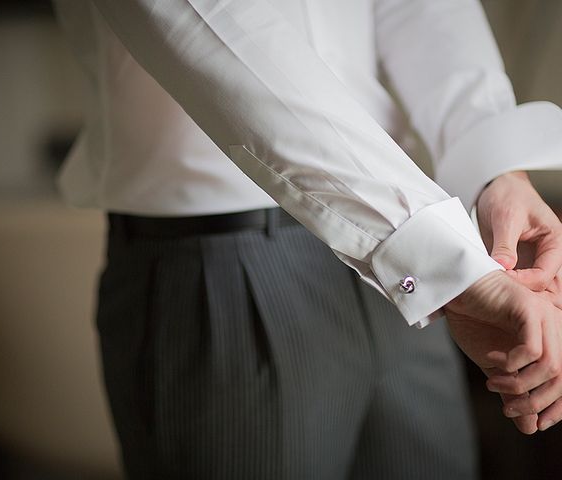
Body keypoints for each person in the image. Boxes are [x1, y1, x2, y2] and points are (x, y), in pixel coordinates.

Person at [53, 1, 562, 478]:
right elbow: (212, 22)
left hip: (414, 268)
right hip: (228, 270)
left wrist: (496, 169)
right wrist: (438, 257)